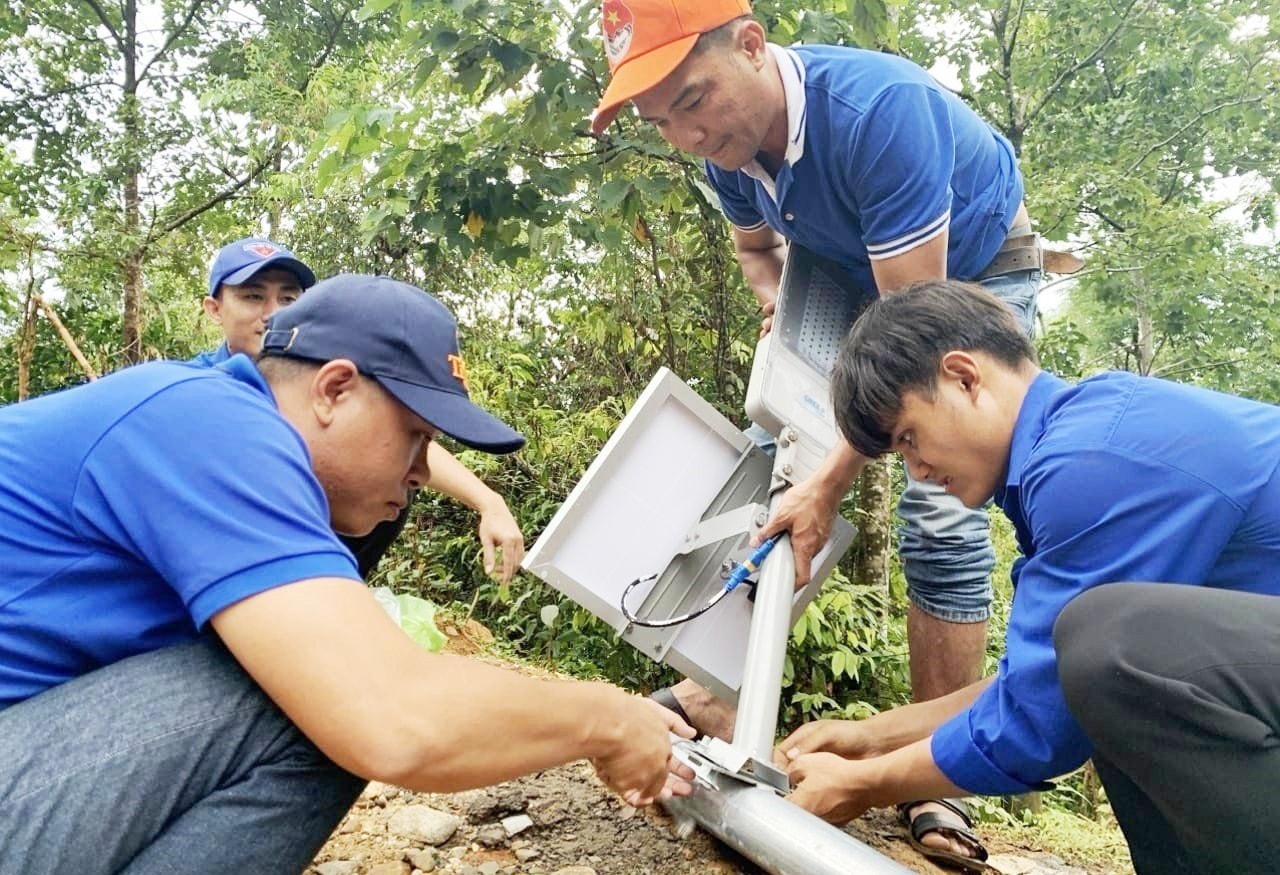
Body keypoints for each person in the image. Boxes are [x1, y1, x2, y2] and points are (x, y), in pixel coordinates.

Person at [0, 274, 694, 873]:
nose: (422, 471)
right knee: (314, 703)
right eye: (416, 436)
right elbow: (394, 717)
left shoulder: (210, 413)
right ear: (333, 388)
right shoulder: (214, 428)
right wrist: (608, 717)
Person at [589, 0, 1049, 856]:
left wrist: (830, 482)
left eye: (691, 100)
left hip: (972, 273)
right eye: (662, 122)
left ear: (753, 46)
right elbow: (757, 251)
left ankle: (930, 776)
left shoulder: (878, 116)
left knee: (937, 502)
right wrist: (780, 317)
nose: (684, 133)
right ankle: (712, 696)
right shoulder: (725, 149)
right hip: (841, 267)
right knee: (773, 458)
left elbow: (914, 362)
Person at [775, 280, 1280, 875]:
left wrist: (863, 784)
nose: (917, 471)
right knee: (1095, 666)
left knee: (1108, 649)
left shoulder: (1087, 464)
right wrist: (867, 738)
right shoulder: (1075, 440)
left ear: (965, 377)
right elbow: (1036, 685)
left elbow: (1040, 719)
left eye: (909, 438)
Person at [197, 236, 525, 580]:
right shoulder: (196, 402)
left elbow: (399, 437)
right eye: (253, 296)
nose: (273, 312)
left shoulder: (314, 377)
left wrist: (489, 501)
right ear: (215, 309)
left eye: (288, 297)